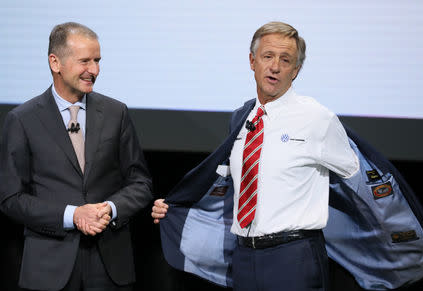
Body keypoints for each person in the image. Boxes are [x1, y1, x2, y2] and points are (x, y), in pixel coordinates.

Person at [152, 21, 359, 291]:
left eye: (285, 60)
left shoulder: (318, 118)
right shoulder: (242, 117)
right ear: (252, 61)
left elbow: (355, 181)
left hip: (294, 257)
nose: (275, 66)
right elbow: (228, 189)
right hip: (244, 257)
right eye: (268, 56)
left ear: (295, 70)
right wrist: (176, 205)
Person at [0, 22, 153, 291]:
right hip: (49, 268)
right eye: (85, 61)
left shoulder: (117, 113)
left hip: (110, 268)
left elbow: (140, 183)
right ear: (55, 62)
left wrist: (110, 208)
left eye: (97, 61)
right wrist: (73, 215)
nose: (94, 70)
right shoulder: (22, 120)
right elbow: (12, 199)